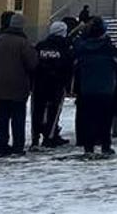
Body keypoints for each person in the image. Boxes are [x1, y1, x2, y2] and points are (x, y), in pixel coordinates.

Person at [0, 13, 40, 156]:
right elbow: (32, 64)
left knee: (1, 118)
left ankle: (1, 145)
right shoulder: (24, 43)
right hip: (19, 87)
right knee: (18, 118)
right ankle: (18, 146)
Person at [73, 18, 117, 157]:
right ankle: (105, 145)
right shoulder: (109, 48)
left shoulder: (82, 48)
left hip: (87, 88)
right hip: (106, 88)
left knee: (88, 118)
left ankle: (88, 147)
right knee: (105, 119)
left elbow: (76, 65)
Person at [33, 20, 75, 148]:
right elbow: (69, 66)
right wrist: (68, 85)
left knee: (37, 110)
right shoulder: (65, 47)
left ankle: (35, 138)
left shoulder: (41, 45)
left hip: (39, 83)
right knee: (54, 111)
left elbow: (34, 64)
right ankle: (49, 137)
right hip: (57, 84)